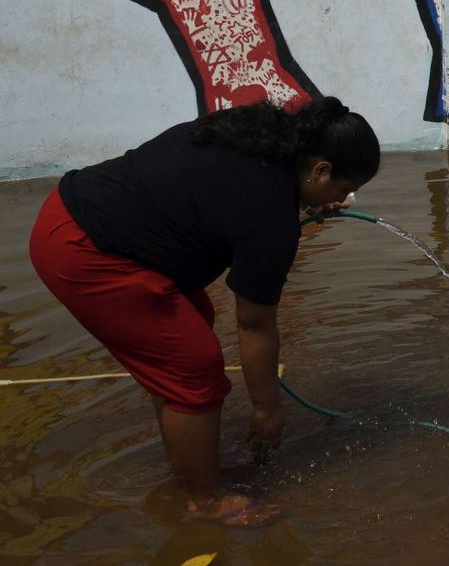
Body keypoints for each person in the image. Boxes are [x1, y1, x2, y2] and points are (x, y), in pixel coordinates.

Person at [28, 97, 379, 527]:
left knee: (191, 328)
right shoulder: (269, 215)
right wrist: (266, 410)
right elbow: (253, 323)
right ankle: (205, 500)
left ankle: (186, 467)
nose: (342, 199)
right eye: (342, 190)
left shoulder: (260, 136)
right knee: (193, 366)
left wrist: (306, 202)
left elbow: (232, 193)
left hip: (76, 214)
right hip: (85, 249)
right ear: (320, 170)